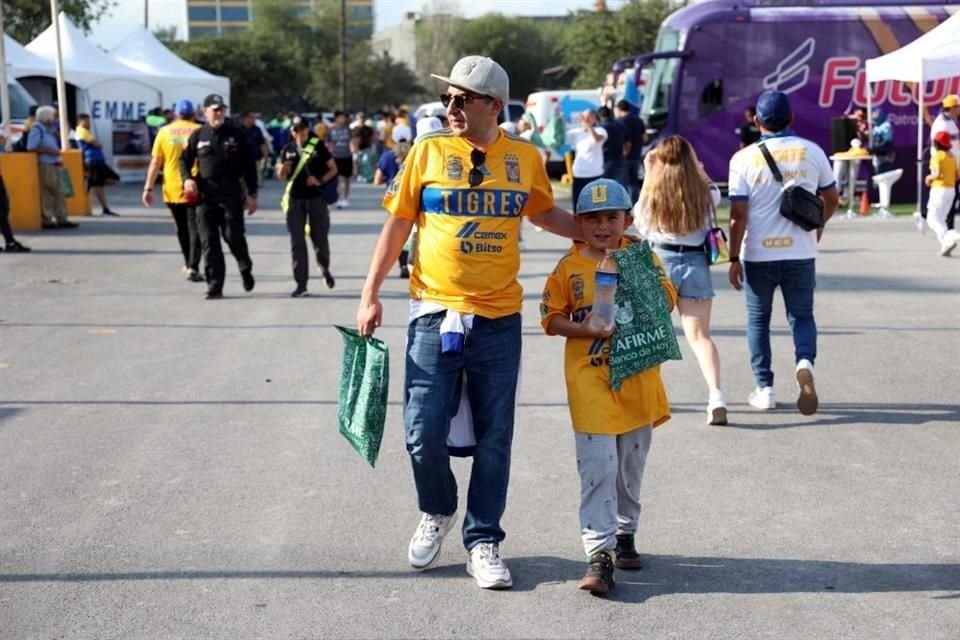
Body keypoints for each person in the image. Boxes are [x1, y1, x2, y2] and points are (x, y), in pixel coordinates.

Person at [356, 55, 581, 590]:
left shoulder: (524, 158)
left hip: (499, 318)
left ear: (494, 106)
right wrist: (369, 294)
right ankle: (438, 508)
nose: (450, 107)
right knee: (420, 435)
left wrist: (606, 234)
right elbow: (398, 225)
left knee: (495, 437)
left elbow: (544, 214)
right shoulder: (427, 151)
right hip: (434, 311)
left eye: (463, 99)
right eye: (447, 98)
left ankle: (484, 541)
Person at [541, 178, 675, 595]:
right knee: (598, 467)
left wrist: (637, 282)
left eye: (611, 217)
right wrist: (583, 328)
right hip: (590, 383)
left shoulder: (641, 258)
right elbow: (550, 317)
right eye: (592, 218)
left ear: (627, 219)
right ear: (578, 222)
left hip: (636, 380)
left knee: (630, 466)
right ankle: (598, 553)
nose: (602, 226)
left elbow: (668, 300)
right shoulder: (569, 268)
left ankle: (624, 532)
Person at [727, 90, 839, 415]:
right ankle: (805, 361)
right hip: (801, 250)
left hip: (759, 254)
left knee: (758, 322)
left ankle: (764, 389)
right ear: (792, 118)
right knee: (802, 316)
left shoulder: (743, 158)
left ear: (756, 121)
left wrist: (733, 258)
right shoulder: (812, 151)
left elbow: (737, 214)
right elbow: (831, 198)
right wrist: (819, 224)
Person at [636, 136, 727, 425]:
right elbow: (715, 193)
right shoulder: (705, 193)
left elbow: (640, 222)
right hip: (695, 263)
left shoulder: (652, 193)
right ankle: (716, 397)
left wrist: (649, 170)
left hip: (660, 262)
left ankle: (651, 400)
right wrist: (700, 172)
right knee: (700, 337)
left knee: (655, 336)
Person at [180, 94, 259, 300]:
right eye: (215, 109)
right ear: (205, 112)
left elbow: (250, 167)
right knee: (209, 242)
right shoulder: (198, 135)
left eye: (222, 109)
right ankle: (215, 286)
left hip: (231, 194)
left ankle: (245, 267)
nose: (219, 113)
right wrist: (187, 179)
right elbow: (184, 160)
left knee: (233, 236)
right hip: (205, 196)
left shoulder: (237, 135)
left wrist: (252, 194)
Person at [143, 99, 204, 282]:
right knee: (196, 228)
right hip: (195, 185)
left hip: (171, 188)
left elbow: (156, 162)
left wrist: (148, 187)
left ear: (176, 114)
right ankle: (193, 265)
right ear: (194, 113)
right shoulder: (199, 131)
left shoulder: (164, 132)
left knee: (181, 228)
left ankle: (188, 262)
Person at [277, 120, 338, 297]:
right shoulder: (287, 149)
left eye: (303, 129)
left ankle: (324, 268)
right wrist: (283, 169)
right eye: (296, 130)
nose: (300, 133)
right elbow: (281, 176)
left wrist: (320, 181)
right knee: (297, 243)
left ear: (307, 129)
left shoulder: (317, 145)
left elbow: (333, 168)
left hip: (316, 199)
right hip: (295, 201)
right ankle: (301, 283)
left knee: (320, 240)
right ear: (292, 132)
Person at [375, 124, 415, 278]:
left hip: (395, 201)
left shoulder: (387, 156)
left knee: (398, 234)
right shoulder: (416, 153)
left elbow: (377, 180)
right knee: (414, 233)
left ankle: (403, 264)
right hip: (415, 197)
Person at [27, 106, 76, 230]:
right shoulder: (37, 129)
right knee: (50, 192)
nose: (54, 118)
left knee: (58, 191)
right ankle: (49, 218)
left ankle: (60, 217)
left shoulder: (48, 130)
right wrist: (48, 151)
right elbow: (31, 147)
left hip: (54, 164)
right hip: (46, 165)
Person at [75, 114, 120, 217]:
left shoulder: (85, 132)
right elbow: (97, 144)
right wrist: (97, 143)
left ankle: (102, 205)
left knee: (110, 180)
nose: (89, 123)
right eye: (86, 121)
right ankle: (104, 208)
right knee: (99, 183)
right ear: (81, 121)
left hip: (97, 160)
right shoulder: (82, 131)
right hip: (92, 160)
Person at [925, 130, 959, 257]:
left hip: (939, 190)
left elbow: (936, 173)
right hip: (951, 190)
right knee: (941, 220)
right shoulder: (952, 156)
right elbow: (957, 176)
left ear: (936, 143)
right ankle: (945, 245)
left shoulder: (937, 156)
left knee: (931, 219)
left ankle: (948, 240)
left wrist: (928, 178)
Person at [565, 109, 607, 208]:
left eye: (589, 117)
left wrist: (588, 125)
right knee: (578, 207)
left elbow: (597, 139)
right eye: (584, 117)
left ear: (595, 119)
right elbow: (559, 137)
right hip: (578, 175)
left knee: (598, 206)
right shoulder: (576, 132)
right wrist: (557, 117)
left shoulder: (601, 130)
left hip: (596, 175)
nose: (585, 119)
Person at [930, 95, 959, 231]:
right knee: (943, 202)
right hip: (944, 166)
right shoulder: (942, 123)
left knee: (949, 200)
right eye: (958, 107)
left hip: (952, 165)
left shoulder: (951, 121)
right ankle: (947, 230)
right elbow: (938, 145)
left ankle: (948, 229)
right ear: (953, 108)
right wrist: (943, 164)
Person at [616, 99, 648, 203]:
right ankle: (635, 203)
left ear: (619, 109)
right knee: (634, 181)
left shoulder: (619, 122)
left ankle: (625, 205)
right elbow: (645, 138)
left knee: (624, 181)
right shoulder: (639, 121)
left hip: (624, 156)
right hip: (636, 155)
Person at [597, 105, 629, 188]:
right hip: (619, 159)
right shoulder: (621, 126)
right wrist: (625, 154)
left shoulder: (600, 128)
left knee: (604, 188)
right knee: (620, 187)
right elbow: (628, 143)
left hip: (604, 160)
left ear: (600, 116)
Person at [327, 111, 353, 208]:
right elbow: (328, 143)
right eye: (341, 117)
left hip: (347, 156)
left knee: (346, 179)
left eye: (344, 117)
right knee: (338, 179)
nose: (343, 119)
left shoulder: (348, 129)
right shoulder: (331, 130)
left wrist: (354, 151)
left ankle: (345, 198)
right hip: (335, 157)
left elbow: (352, 141)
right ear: (336, 118)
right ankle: (339, 198)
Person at [241, 112, 268, 188]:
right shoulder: (239, 130)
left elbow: (262, 143)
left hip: (255, 159)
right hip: (242, 160)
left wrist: (265, 156)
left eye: (255, 117)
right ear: (246, 118)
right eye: (252, 117)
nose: (254, 119)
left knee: (257, 182)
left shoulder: (257, 129)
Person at [870, 109, 895, 173]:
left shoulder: (886, 126)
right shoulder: (876, 127)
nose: (874, 121)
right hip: (877, 153)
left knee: (885, 170)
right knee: (877, 170)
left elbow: (887, 140)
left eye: (875, 119)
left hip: (885, 153)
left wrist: (877, 147)